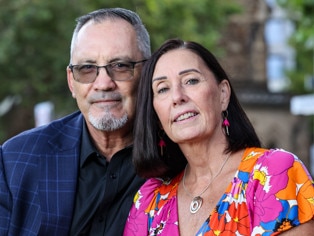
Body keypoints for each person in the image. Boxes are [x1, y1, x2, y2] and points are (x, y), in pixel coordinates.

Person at [123, 38, 314, 235]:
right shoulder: (149, 201)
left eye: (191, 80)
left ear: (223, 94)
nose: (177, 96)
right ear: (156, 117)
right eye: (163, 89)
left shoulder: (272, 174)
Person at [0, 8, 150, 235]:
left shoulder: (179, 156)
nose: (103, 83)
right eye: (87, 68)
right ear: (71, 82)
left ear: (148, 73)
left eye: (120, 66)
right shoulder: (15, 161)